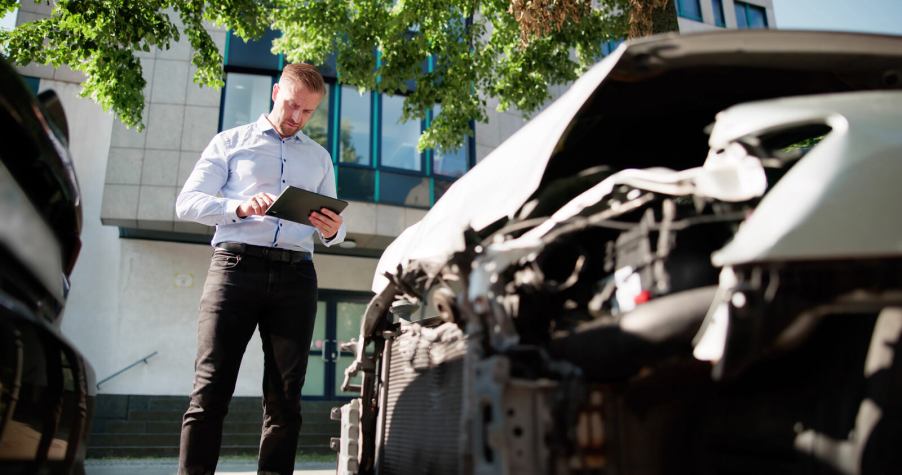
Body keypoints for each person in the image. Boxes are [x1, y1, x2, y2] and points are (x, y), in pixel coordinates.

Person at [174, 63, 346, 475]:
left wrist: (334, 230)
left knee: (286, 397)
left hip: (296, 276)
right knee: (210, 389)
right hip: (235, 267)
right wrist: (236, 207)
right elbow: (187, 202)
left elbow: (332, 227)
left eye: (307, 112)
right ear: (275, 93)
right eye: (291, 106)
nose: (296, 118)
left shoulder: (320, 158)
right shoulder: (230, 142)